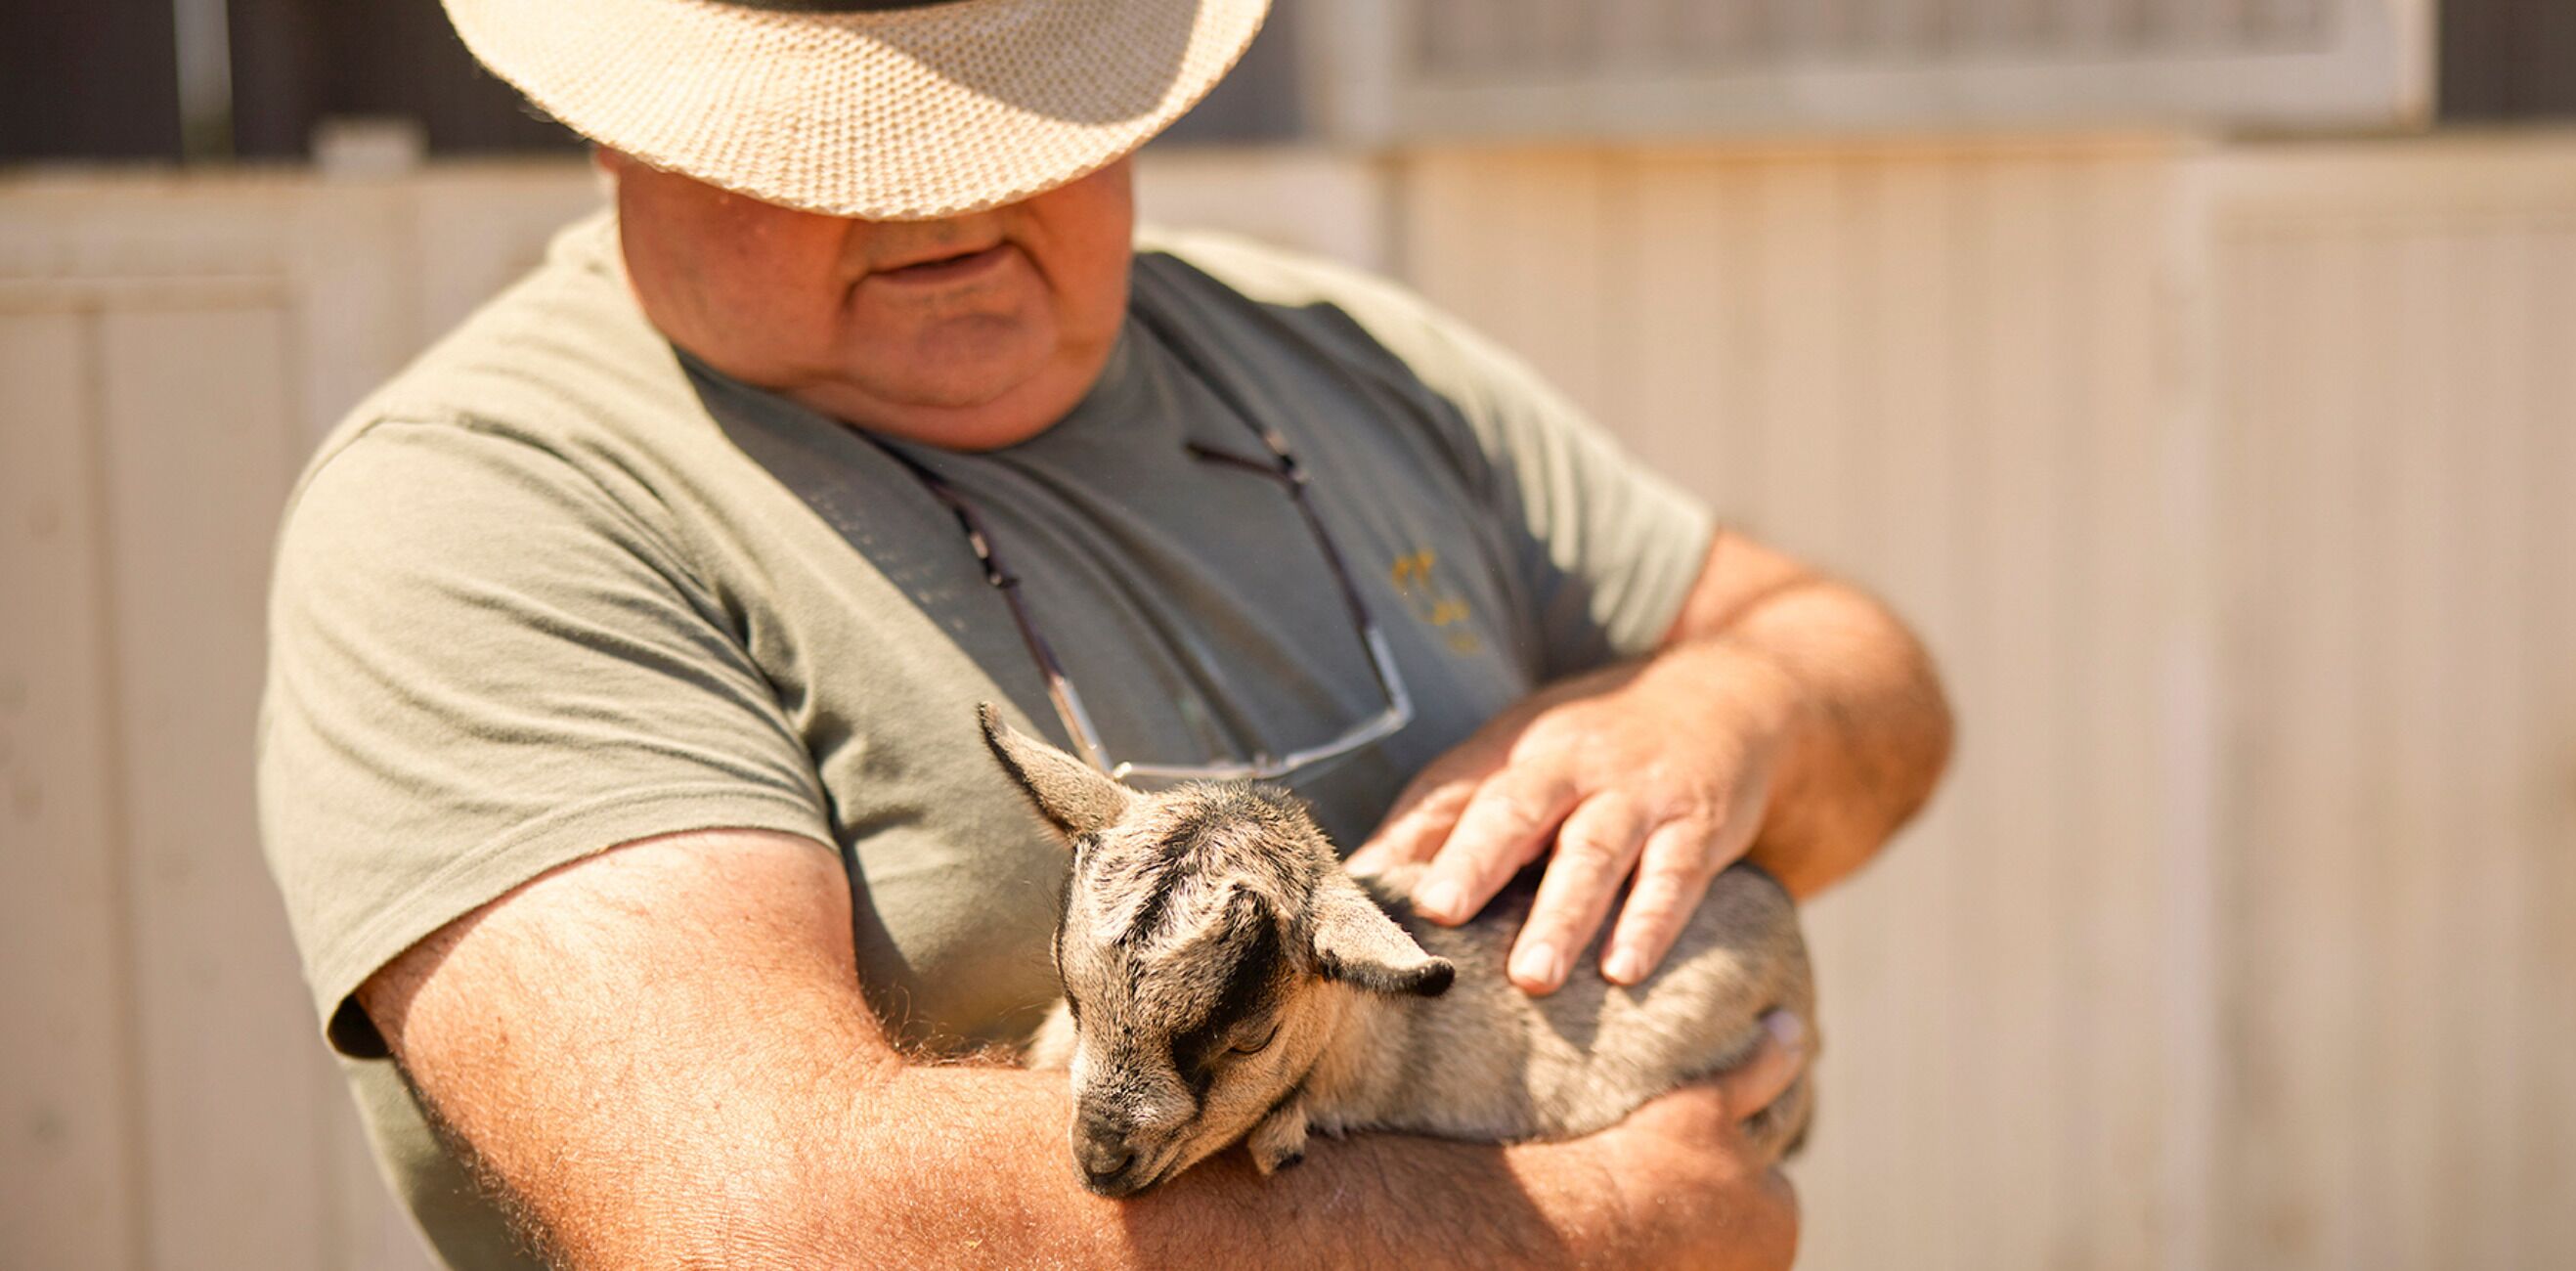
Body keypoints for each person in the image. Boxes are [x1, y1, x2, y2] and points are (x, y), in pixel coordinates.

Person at [255, 0, 1952, 1266]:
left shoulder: (1333, 360)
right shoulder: (490, 519)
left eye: (1010, 114)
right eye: (828, 149)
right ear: (610, 122)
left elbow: (1868, 685)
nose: (947, 205)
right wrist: (1573, 1230)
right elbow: (767, 1223)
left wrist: (1732, 705)